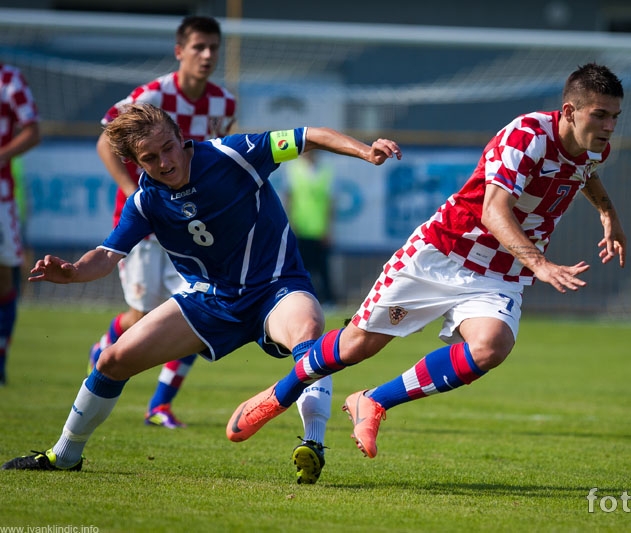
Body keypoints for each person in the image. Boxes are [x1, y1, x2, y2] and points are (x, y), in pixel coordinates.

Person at [222, 63, 627, 459]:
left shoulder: (594, 146)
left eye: (614, 117)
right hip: (442, 253)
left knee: (491, 346)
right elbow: (493, 211)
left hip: (499, 272)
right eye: (601, 115)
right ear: (570, 112)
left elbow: (585, 173)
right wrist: (541, 264)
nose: (609, 126)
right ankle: (279, 394)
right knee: (357, 346)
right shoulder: (528, 136)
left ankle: (373, 402)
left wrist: (608, 215)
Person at [1, 104, 402, 482]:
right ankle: (65, 455)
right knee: (112, 359)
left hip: (276, 286)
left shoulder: (234, 153)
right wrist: (73, 272)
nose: (165, 163)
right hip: (211, 299)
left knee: (307, 331)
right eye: (150, 159)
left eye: (168, 148)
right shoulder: (146, 202)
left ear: (182, 138)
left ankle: (313, 443)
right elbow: (107, 255)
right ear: (135, 164)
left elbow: (307, 135)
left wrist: (364, 151)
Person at [91, 16, 237, 429]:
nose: (207, 55)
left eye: (213, 48)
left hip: (189, 223)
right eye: (198, 47)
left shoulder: (223, 103)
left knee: (196, 307)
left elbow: (215, 159)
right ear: (180, 51)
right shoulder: (151, 95)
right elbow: (106, 140)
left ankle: (159, 405)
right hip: (146, 225)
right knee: (140, 314)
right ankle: (103, 350)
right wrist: (135, 195)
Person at [0, 63, 40, 386]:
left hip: (1, 198)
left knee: (3, 279)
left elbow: (32, 130)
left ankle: (0, 361)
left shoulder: (9, 79)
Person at [285, 150, 336, 308]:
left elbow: (330, 202)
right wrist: (291, 223)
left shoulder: (326, 171)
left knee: (322, 267)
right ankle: (303, 299)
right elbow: (289, 198)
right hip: (300, 227)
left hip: (318, 228)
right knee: (301, 267)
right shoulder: (293, 169)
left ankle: (328, 301)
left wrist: (328, 228)